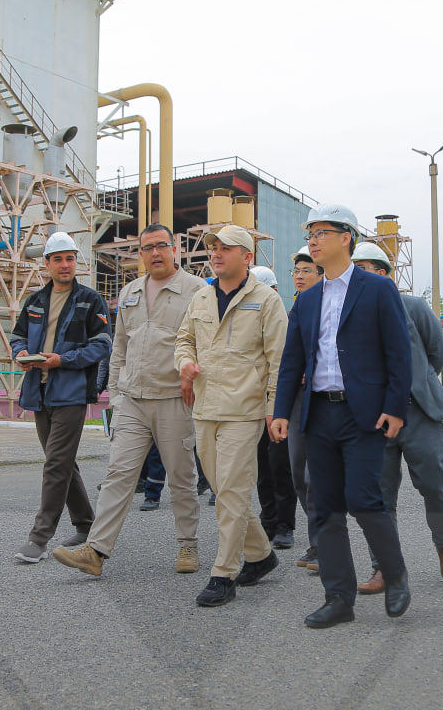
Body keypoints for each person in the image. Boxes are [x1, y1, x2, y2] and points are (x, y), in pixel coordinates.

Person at [271, 203, 413, 629]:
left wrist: (395, 407)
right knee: (324, 507)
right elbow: (292, 360)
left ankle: (395, 575)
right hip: (318, 414)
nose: (312, 241)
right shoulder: (307, 299)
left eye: (321, 233)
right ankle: (338, 598)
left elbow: (398, 353)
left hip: (362, 413)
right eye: (310, 234)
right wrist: (281, 412)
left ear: (346, 237)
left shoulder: (377, 289)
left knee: (365, 499)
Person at [53, 224, 207, 577]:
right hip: (133, 400)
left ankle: (188, 544)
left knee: (181, 477)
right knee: (118, 474)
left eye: (161, 246)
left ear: (175, 249)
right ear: (140, 254)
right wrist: (116, 394)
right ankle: (96, 550)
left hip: (174, 398)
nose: (155, 253)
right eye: (147, 248)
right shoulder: (130, 291)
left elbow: (206, 343)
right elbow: (119, 345)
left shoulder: (197, 290)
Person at [176, 225, 288, 607]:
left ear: (247, 257)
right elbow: (184, 339)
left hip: (244, 410)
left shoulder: (266, 301)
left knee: (232, 491)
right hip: (206, 407)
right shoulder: (201, 297)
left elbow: (279, 360)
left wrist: (275, 410)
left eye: (226, 248)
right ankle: (260, 555)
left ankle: (224, 573)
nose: (216, 254)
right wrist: (185, 362)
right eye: (213, 248)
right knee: (224, 490)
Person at [348, 241, 443, 593]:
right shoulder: (349, 314)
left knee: (433, 484)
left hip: (418, 411)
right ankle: (383, 567)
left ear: (383, 274)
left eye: (362, 269)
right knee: (379, 494)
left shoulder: (413, 307)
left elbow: (436, 353)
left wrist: (416, 385)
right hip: (373, 418)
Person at [10, 231, 112, 563]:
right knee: (63, 463)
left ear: (76, 262)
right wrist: (20, 352)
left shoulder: (90, 300)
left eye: (70, 258)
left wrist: (62, 360)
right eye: (58, 259)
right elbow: (17, 336)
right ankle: (85, 524)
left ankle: (38, 538)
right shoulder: (35, 301)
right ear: (47, 264)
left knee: (55, 463)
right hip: (39, 391)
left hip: (71, 392)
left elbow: (102, 345)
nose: (65, 264)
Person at [251, 265, 297, 549]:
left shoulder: (287, 319)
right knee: (261, 466)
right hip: (253, 401)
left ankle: (284, 524)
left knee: (280, 465)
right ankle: (268, 518)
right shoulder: (247, 319)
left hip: (280, 402)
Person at [288, 246, 324, 569]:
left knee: (317, 477)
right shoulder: (295, 306)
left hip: (324, 398)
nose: (299, 276)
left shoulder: (331, 304)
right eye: (296, 271)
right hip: (297, 399)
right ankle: (319, 542)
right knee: (298, 472)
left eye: (306, 271)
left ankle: (322, 545)